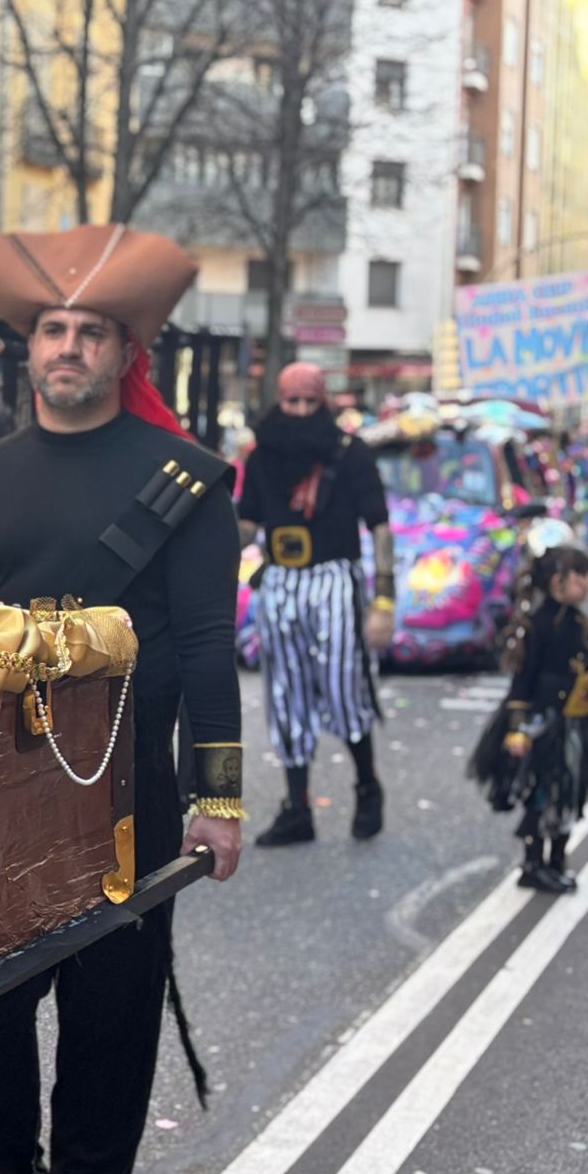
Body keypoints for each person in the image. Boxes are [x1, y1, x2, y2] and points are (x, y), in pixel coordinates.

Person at [0, 225, 243, 1174]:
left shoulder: (186, 482)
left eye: (91, 332)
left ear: (124, 353)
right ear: (31, 348)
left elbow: (206, 643)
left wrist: (218, 799)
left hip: (126, 789)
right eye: (53, 329)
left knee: (109, 1015)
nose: (68, 347)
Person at [235, 361, 394, 846]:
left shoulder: (350, 452)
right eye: (292, 402)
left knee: (346, 689)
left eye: (309, 402)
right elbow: (249, 524)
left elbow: (380, 526)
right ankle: (297, 808)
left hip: (335, 580)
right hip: (281, 582)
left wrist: (384, 601)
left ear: (322, 402)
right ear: (278, 401)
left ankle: (367, 787)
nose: (301, 411)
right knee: (286, 697)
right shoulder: (260, 456)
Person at [469, 540, 588, 893]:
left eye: (587, 576)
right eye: (579, 576)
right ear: (557, 581)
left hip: (578, 724)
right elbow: (522, 682)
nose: (587, 583)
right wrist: (518, 729)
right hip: (544, 725)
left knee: (571, 794)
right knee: (542, 794)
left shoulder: (583, 627)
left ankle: (557, 859)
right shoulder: (537, 626)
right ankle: (533, 864)